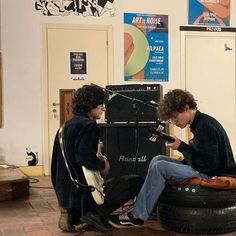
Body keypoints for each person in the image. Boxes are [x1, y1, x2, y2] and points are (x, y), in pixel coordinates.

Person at [108, 88, 236, 228]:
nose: (174, 122)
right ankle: (151, 207)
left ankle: (137, 216)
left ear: (186, 108)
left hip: (212, 174)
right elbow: (202, 155)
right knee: (158, 159)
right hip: (206, 168)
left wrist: (181, 147)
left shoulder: (205, 126)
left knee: (160, 166)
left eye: (175, 116)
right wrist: (181, 150)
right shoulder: (200, 123)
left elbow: (208, 164)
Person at [51, 84, 143, 232]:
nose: (104, 109)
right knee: (137, 181)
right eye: (101, 105)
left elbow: (56, 165)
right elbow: (84, 158)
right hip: (84, 194)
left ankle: (74, 215)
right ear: (90, 105)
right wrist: (102, 165)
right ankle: (93, 214)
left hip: (65, 196)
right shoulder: (89, 125)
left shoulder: (63, 127)